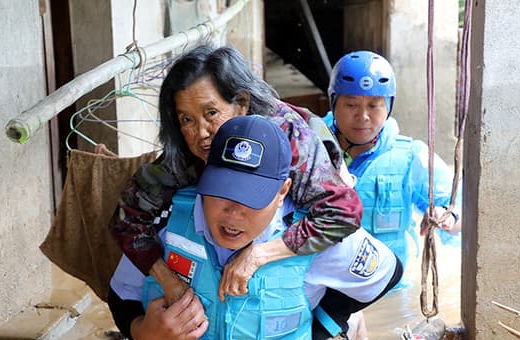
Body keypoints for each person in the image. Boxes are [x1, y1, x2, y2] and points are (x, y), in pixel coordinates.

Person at [109, 115, 403, 340]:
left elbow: (388, 272)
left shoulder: (320, 238)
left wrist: (326, 318)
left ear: (282, 191)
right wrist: (145, 333)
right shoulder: (170, 225)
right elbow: (121, 294)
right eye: (221, 194)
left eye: (251, 199)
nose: (233, 216)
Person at [108, 43, 362, 310]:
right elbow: (126, 220)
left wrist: (258, 255)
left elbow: (343, 212)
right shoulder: (189, 152)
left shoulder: (286, 137)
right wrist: (169, 281)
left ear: (241, 104)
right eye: (187, 120)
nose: (202, 133)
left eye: (211, 114)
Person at [323, 50, 461, 270]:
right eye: (351, 105)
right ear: (333, 103)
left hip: (388, 292)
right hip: (325, 290)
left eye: (374, 105)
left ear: (388, 107)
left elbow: (460, 212)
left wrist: (446, 216)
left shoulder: (411, 157)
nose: (363, 116)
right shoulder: (309, 150)